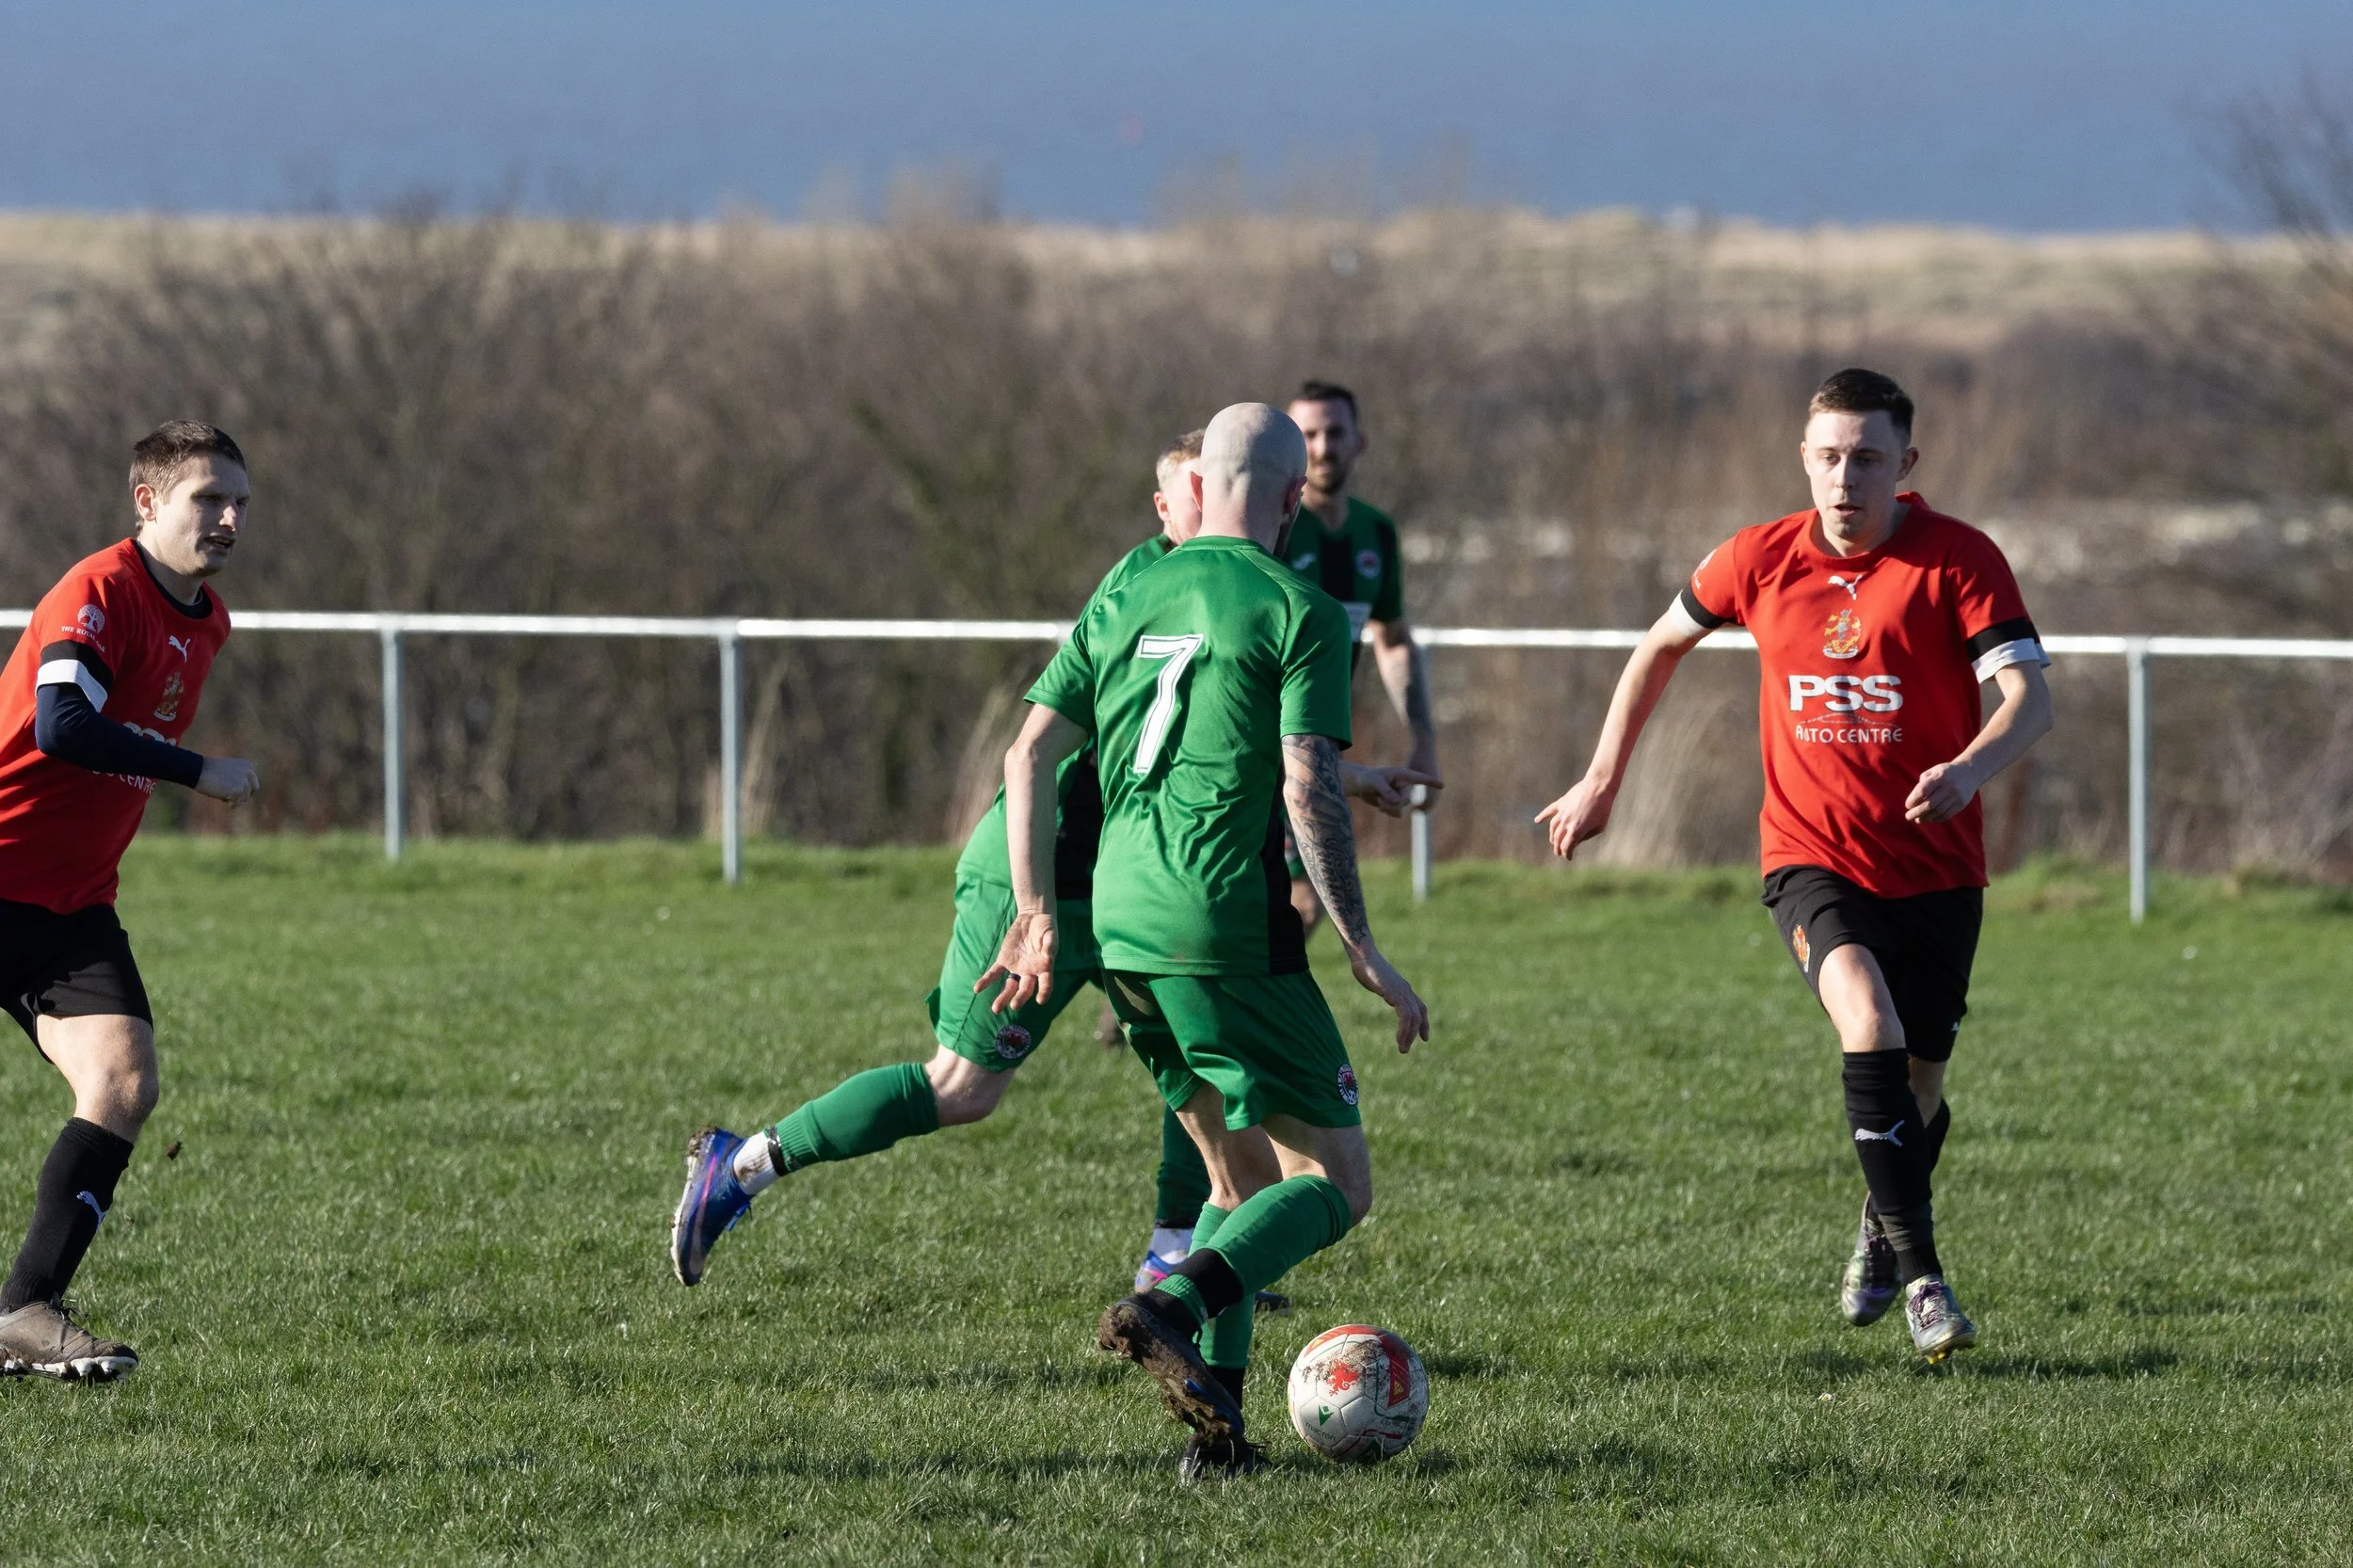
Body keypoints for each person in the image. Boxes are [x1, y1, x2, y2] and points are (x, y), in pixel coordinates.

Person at [670, 431, 1428, 1289]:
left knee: (1210, 1085)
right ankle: (743, 1166)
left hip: (1129, 880)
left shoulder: (1222, 591)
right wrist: (1031, 914)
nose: (1208, 508)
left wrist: (1350, 777)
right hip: (1044, 866)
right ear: (1174, 501)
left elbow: (1225, 741)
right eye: (1191, 490)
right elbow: (1046, 751)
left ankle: (1173, 1273)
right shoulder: (1147, 586)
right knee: (961, 1089)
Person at [1536, 369, 2052, 1364]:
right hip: (1811, 858)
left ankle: (1877, 1220)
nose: (1844, 477)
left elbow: (2030, 698)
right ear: (1802, 458)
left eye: (1866, 458)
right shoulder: (1757, 558)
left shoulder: (1959, 559)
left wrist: (1967, 767)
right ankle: (1927, 1280)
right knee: (1868, 1020)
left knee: (1922, 1084)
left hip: (1938, 867)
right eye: (1827, 456)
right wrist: (1603, 779)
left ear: (1906, 464)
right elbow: (1657, 647)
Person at [984, 402, 1429, 1478]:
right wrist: (1363, 945)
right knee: (1337, 1183)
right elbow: (1306, 781)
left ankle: (1217, 1440)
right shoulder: (1301, 605)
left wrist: (1039, 911)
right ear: (1289, 496)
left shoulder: (1130, 584)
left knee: (1233, 1186)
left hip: (1118, 927)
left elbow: (1027, 755)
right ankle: (1170, 1300)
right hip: (1224, 923)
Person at [0, 422, 262, 1381]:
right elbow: (64, 724)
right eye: (208, 498)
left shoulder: (208, 620)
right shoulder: (98, 591)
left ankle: (26, 1309)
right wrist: (196, 770)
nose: (229, 519)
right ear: (147, 502)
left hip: (68, 907)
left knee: (123, 1085)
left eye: (240, 502)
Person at [1278, 381, 1441, 931]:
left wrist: (1423, 740)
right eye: (1308, 435)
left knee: (1305, 899)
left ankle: (1140, 1017)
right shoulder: (1271, 528)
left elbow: (1391, 639)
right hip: (1258, 743)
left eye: (1335, 432)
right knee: (1298, 899)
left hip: (1318, 748)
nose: (1323, 447)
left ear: (1359, 441)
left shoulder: (1376, 532)